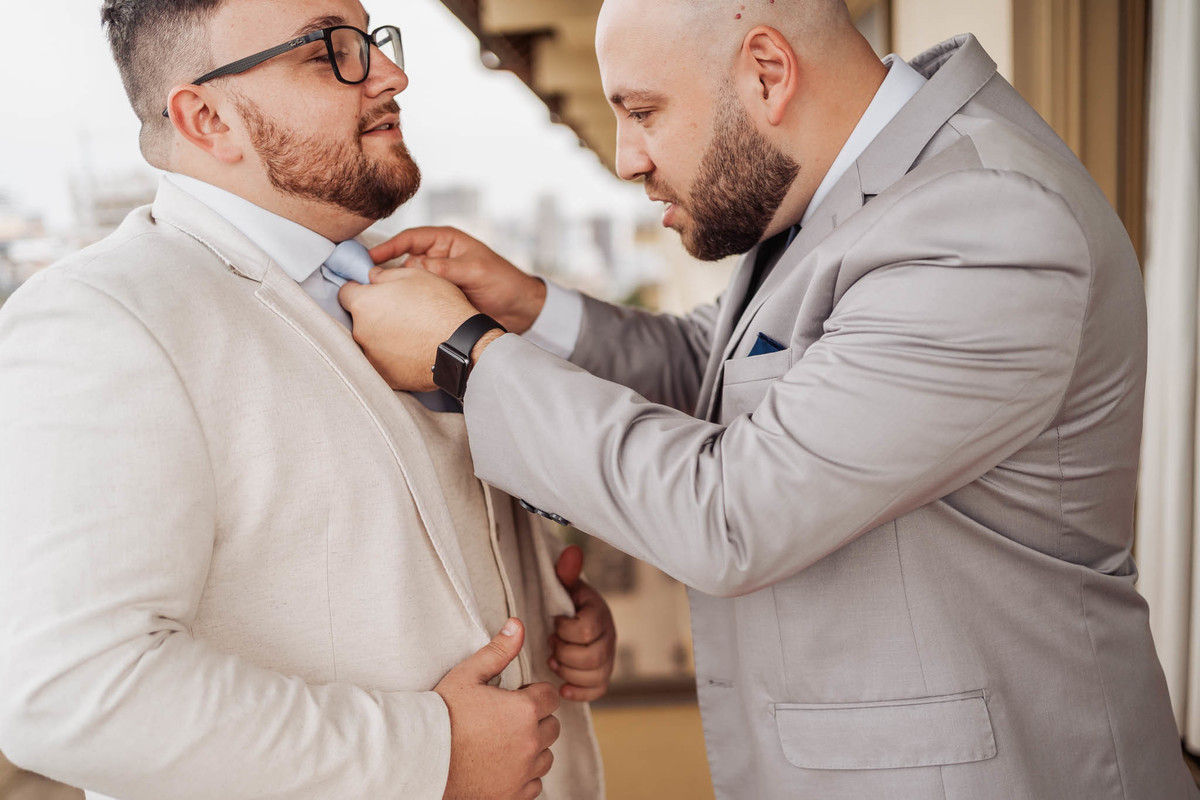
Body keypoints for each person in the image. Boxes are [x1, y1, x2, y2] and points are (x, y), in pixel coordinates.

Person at [338, 0, 1199, 798]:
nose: (630, 157)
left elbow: (733, 515)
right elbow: (719, 373)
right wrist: (529, 308)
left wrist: (466, 356)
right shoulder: (847, 190)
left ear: (767, 72)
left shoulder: (984, 224)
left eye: (642, 112)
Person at [0, 1, 614, 799]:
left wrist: (553, 615)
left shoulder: (414, 290)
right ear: (208, 117)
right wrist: (429, 753)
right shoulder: (106, 317)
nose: (391, 75)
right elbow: (71, 690)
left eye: (373, 41)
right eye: (331, 52)